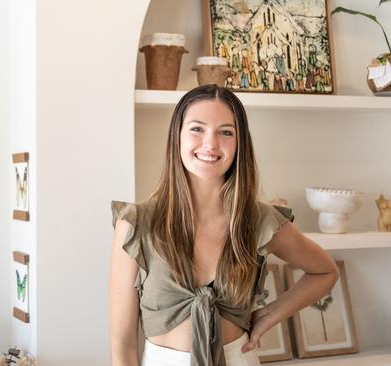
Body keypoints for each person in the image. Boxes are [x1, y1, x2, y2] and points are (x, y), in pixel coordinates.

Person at [109, 85, 339, 366]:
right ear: (177, 137)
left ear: (240, 143)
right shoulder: (137, 224)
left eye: (226, 132)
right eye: (197, 128)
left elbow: (325, 271)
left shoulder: (258, 220)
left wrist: (270, 315)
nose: (211, 144)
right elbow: (122, 345)